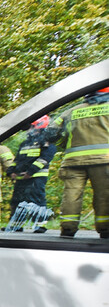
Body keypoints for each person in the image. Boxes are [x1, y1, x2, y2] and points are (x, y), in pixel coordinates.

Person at [51, 87, 109, 238]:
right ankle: (105, 229)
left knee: (71, 194)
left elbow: (51, 133)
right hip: (104, 160)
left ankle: (68, 228)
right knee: (104, 195)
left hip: (73, 161)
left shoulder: (72, 111)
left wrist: (64, 144)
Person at [7, 116, 56, 232]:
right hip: (21, 177)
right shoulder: (25, 143)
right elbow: (17, 160)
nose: (28, 130)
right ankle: (16, 225)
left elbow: (45, 159)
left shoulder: (46, 142)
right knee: (17, 200)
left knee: (36, 199)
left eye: (31, 127)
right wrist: (11, 171)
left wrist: (30, 172)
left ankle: (40, 225)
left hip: (37, 177)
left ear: (39, 126)